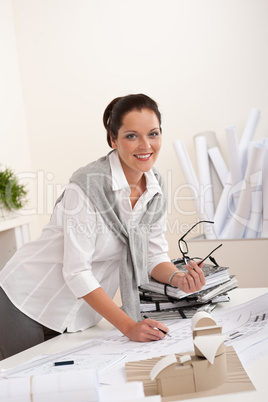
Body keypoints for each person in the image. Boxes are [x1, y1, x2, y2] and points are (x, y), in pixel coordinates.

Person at [0, 94, 206, 360]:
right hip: (25, 301)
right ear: (113, 139)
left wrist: (179, 279)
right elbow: (76, 271)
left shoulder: (155, 188)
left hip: (78, 319)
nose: (145, 145)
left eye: (153, 134)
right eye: (132, 136)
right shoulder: (87, 187)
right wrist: (128, 326)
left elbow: (153, 255)